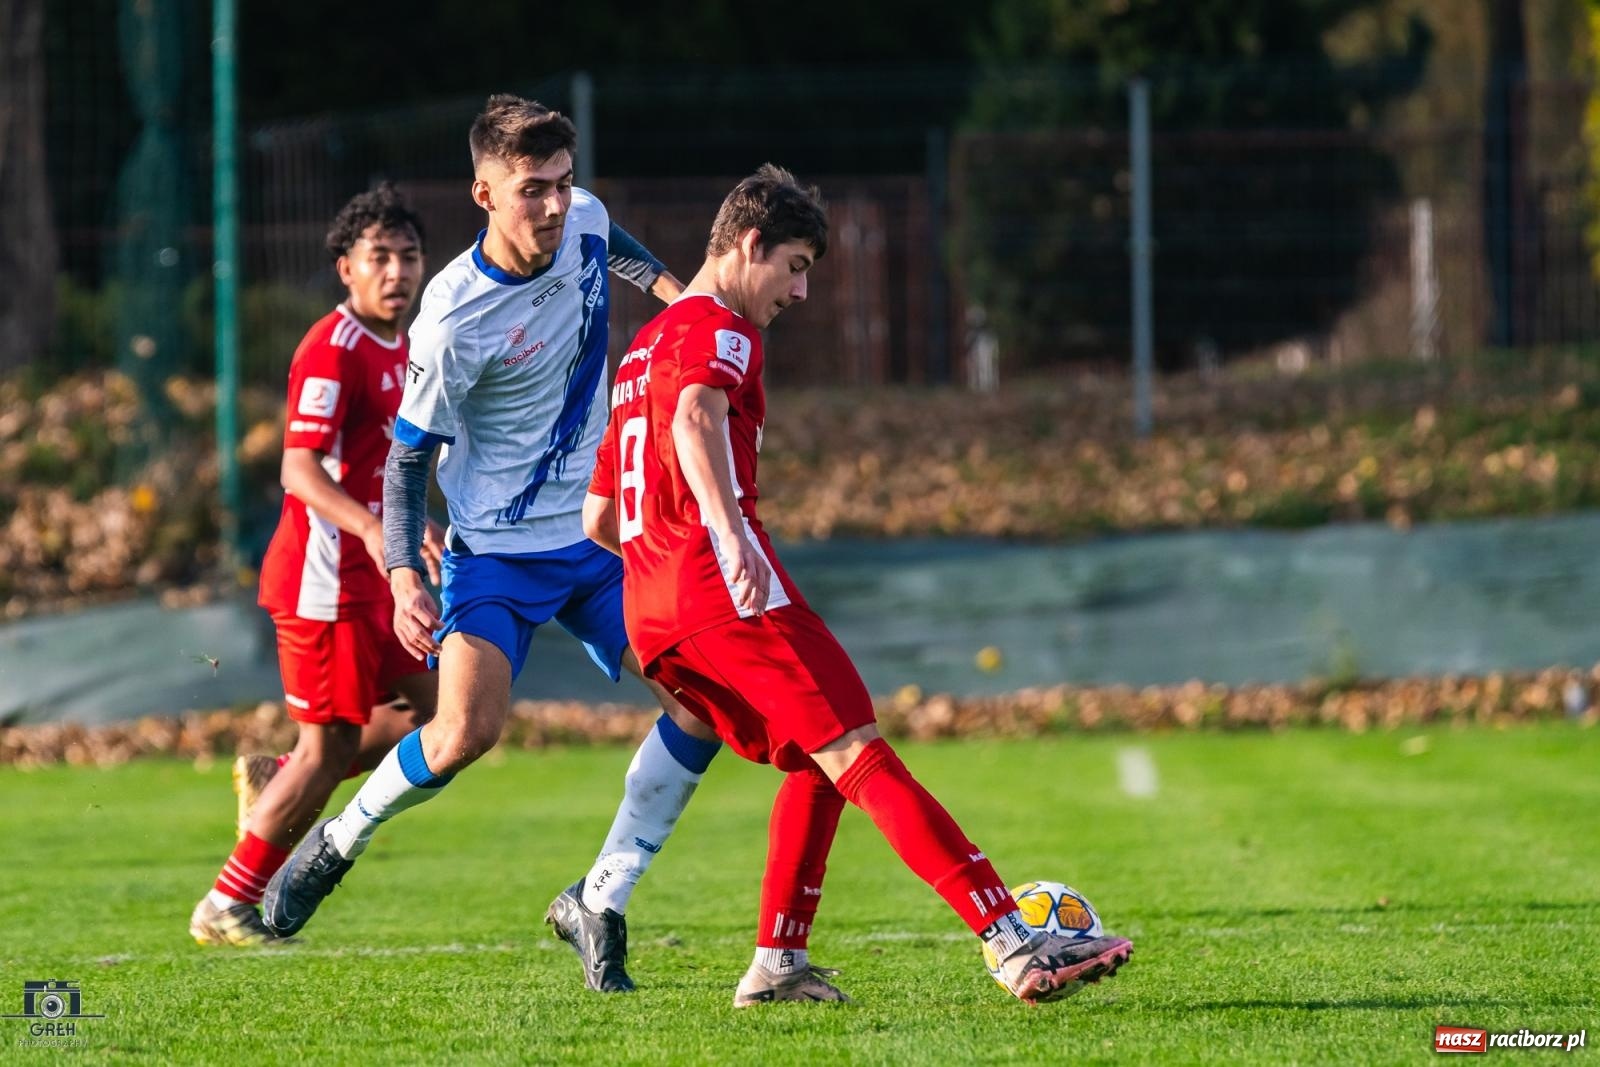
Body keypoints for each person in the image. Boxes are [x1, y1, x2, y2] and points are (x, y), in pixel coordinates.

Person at [584, 164, 1134, 1005]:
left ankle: (778, 961)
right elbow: (696, 417)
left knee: (819, 759)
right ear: (749, 244)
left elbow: (598, 518)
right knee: (857, 748)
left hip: (654, 610)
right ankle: (1014, 942)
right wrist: (726, 535)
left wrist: (669, 558)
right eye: (796, 266)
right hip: (722, 586)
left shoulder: (640, 351)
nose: (801, 291)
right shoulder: (723, 328)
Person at [263, 96, 725, 994]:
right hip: (496, 555)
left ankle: (599, 898)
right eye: (531, 190)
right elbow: (406, 463)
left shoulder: (583, 217)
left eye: (562, 182)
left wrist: (686, 308)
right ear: (483, 194)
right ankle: (338, 839)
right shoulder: (451, 317)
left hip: (598, 538)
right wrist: (404, 573)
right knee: (464, 733)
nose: (553, 205)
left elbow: (626, 251)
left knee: (705, 703)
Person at [189, 183, 444, 947]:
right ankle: (226, 902)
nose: (396, 271)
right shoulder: (333, 347)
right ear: (346, 268)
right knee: (329, 747)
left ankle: (282, 771)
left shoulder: (407, 344)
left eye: (408, 256)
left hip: (379, 575)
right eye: (379, 257)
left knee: (442, 711)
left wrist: (412, 525)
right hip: (322, 580)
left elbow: (380, 465)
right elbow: (298, 468)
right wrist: (375, 528)